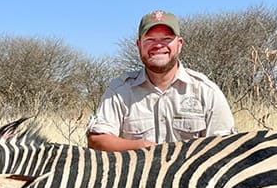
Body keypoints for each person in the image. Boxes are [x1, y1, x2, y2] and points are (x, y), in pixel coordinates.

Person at [87, 10, 236, 151]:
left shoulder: (207, 91)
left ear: (179, 44)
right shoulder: (119, 90)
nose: (158, 45)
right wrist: (142, 149)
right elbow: (97, 140)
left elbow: (225, 148)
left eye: (166, 39)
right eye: (150, 39)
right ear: (139, 45)